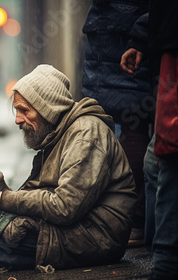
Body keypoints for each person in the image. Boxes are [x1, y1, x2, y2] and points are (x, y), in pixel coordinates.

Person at [0, 65, 137, 271]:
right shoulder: (57, 132)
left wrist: (1, 199)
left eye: (24, 110)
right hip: (73, 224)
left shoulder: (86, 135)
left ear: (47, 108)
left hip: (96, 235)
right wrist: (0, 190)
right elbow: (41, 195)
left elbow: (65, 207)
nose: (17, 120)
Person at [81, 0, 151, 246]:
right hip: (125, 33)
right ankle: (130, 219)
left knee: (113, 126)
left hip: (112, 33)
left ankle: (123, 217)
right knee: (132, 125)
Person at [121, 1, 178, 278]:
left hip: (171, 55)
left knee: (163, 159)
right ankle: (162, 257)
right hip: (165, 54)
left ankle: (165, 261)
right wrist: (143, 37)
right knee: (157, 160)